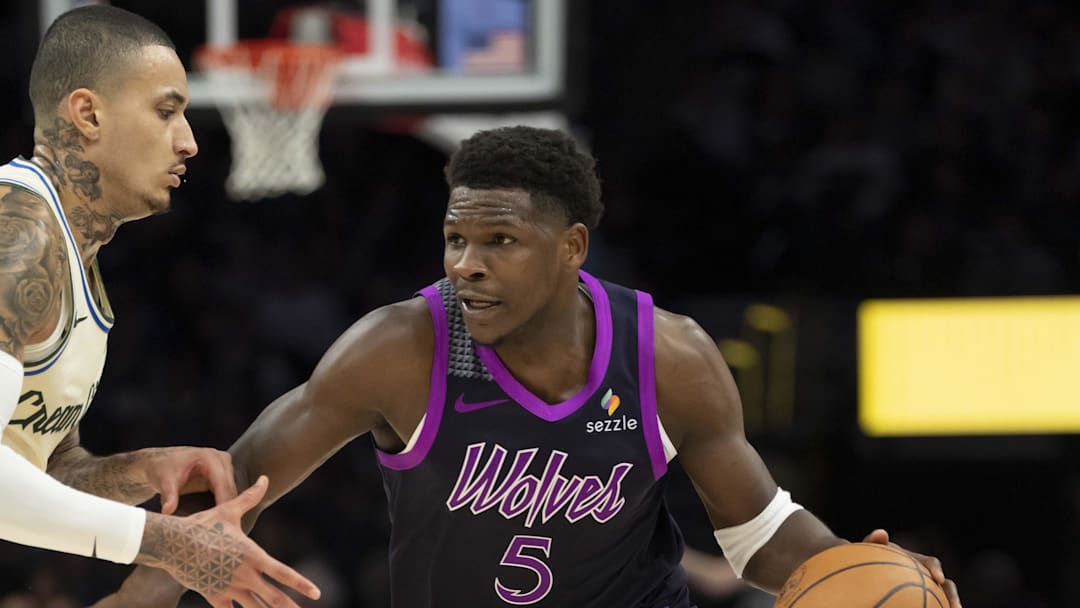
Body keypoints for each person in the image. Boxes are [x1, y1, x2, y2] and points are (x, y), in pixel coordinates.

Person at [105, 126, 961, 607]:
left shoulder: (671, 355)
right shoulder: (398, 348)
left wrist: (849, 563)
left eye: (499, 241)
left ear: (571, 248)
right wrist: (140, 596)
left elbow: (756, 533)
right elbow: (238, 490)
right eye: (455, 239)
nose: (465, 264)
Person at [0, 6, 321, 608]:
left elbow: (36, 469)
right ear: (88, 113)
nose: (190, 142)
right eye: (166, 111)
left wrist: (142, 471)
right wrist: (166, 543)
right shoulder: (17, 239)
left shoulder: (70, 253)